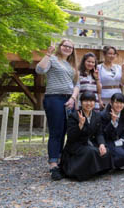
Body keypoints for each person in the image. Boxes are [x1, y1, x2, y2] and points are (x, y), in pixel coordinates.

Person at [35, 39, 79, 180]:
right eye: (65, 46)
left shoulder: (71, 65)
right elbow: (39, 70)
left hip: (69, 100)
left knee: (66, 131)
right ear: (60, 47)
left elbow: (76, 85)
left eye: (70, 47)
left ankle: (60, 161)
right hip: (54, 98)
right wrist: (48, 54)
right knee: (56, 131)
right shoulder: (53, 60)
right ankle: (53, 164)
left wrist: (73, 98)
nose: (67, 49)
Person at [60, 91, 113, 181]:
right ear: (81, 102)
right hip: (76, 145)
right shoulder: (74, 116)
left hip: (89, 143)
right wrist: (80, 125)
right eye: (86, 101)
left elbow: (99, 133)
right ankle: (78, 172)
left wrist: (101, 144)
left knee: (106, 151)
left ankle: (97, 171)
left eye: (91, 101)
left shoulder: (97, 116)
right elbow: (71, 136)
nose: (89, 103)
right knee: (90, 151)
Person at [100, 93, 124, 169]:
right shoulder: (103, 115)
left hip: (119, 141)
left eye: (121, 103)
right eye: (116, 103)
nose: (119, 105)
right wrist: (113, 122)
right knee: (121, 154)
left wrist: (122, 139)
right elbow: (104, 134)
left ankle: (122, 163)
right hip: (108, 142)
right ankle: (115, 165)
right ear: (111, 103)